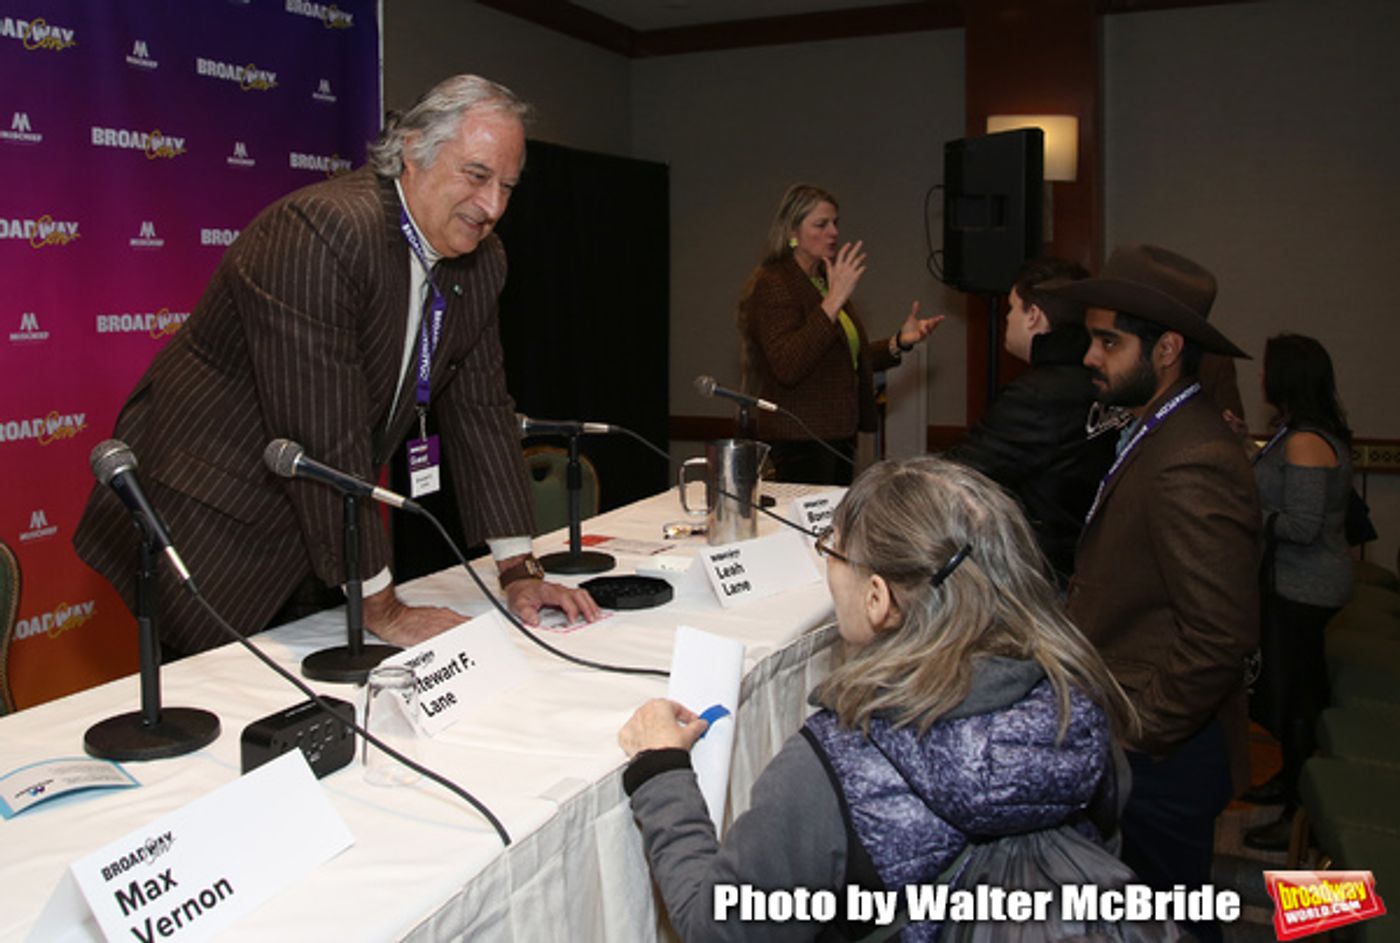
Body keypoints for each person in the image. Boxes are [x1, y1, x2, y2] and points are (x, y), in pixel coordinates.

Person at [74, 75, 599, 658]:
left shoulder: (481, 260)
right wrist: (384, 609)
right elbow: (322, 433)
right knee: (228, 703)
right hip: (208, 524)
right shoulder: (323, 231)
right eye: (476, 176)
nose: (493, 207)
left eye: (507, 186)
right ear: (412, 151)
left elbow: (481, 411)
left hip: (322, 529)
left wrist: (519, 570)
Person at [619, 456, 1136, 941]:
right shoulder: (1078, 704)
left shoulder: (836, 763)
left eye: (833, 550)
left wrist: (661, 770)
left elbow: (721, 929)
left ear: (877, 599)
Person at [1045, 244, 1259, 943]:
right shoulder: (1160, 429)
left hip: (1163, 758)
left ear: (1166, 349)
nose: (1090, 356)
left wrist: (1136, 737)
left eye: (1109, 342)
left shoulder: (1191, 455)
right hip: (1149, 742)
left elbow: (1220, 636)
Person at [737, 184, 942, 485]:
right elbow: (787, 364)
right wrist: (833, 301)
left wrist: (899, 342)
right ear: (792, 231)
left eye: (835, 223)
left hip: (838, 433)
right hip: (800, 438)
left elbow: (842, 358)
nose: (833, 232)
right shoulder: (775, 283)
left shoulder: (823, 281)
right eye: (821, 224)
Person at [1239, 334, 1354, 851]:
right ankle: (1289, 783)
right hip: (1296, 584)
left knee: (1298, 701)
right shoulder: (1297, 434)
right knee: (1290, 696)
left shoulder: (1306, 442)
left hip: (1306, 588)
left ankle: (1299, 813)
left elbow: (1303, 526)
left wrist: (1248, 514)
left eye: (1269, 369)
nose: (1262, 378)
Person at [944, 257, 1118, 586]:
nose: (1007, 318)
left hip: (1045, 575)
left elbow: (958, 475)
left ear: (1034, 315)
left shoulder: (1037, 395)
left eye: (1012, 308)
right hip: (1095, 565)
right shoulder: (1107, 381)